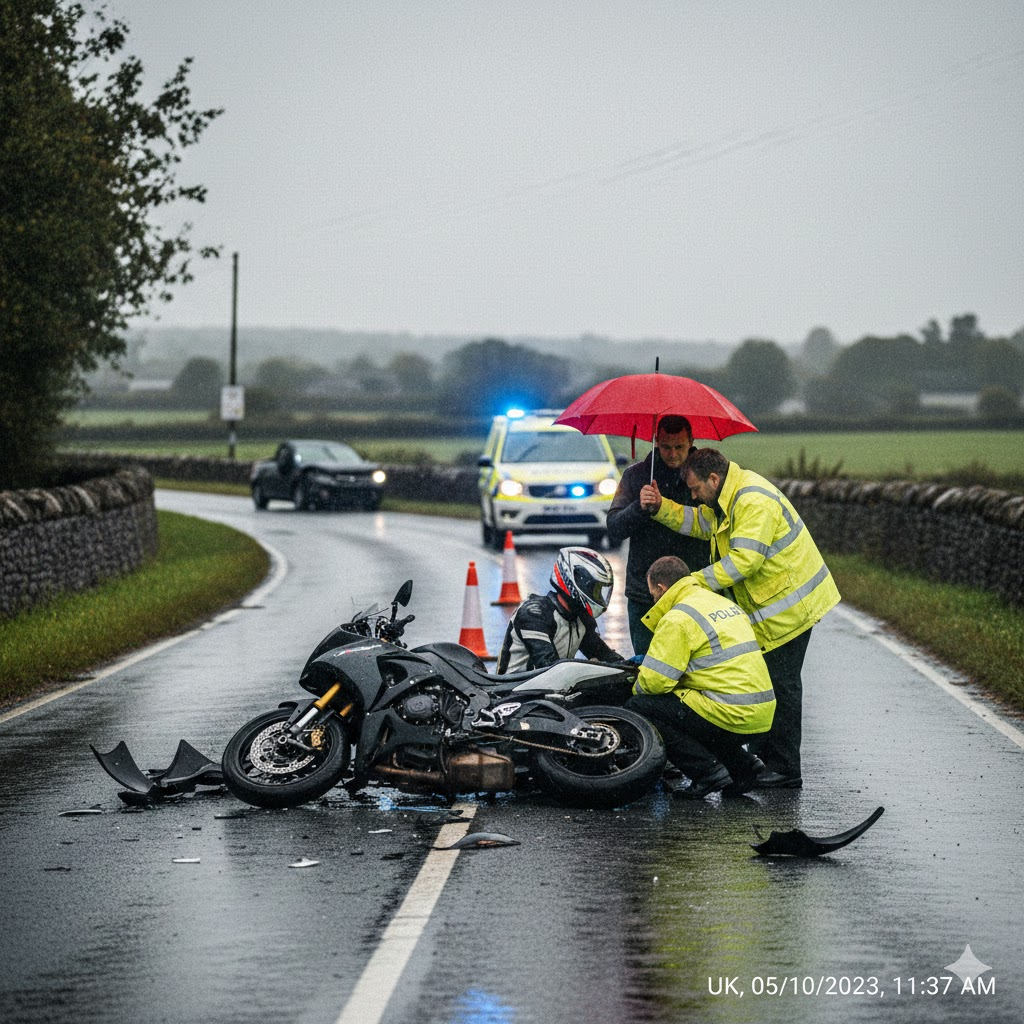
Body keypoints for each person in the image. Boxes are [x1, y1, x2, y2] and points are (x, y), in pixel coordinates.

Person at [640, 447, 841, 789]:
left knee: (782, 686)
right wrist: (662, 509)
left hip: (792, 610)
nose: (694, 496)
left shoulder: (751, 500)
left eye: (695, 489)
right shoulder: (728, 501)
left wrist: (690, 584)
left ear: (713, 479)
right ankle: (763, 765)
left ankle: (785, 769)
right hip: (774, 609)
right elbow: (701, 524)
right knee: (770, 683)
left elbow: (744, 561)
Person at [625, 556, 775, 799]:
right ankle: (744, 766)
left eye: (653, 594)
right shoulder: (720, 603)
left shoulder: (677, 618)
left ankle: (707, 773)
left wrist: (633, 684)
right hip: (761, 713)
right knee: (694, 707)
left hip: (729, 713)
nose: (653, 600)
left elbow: (654, 683)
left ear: (661, 588)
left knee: (642, 707)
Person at [606, 415, 710, 658]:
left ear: (691, 442)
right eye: (665, 447)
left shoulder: (704, 476)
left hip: (694, 589)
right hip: (645, 593)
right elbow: (614, 528)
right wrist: (638, 508)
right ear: (656, 442)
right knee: (648, 666)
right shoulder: (635, 476)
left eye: (679, 447)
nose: (672, 454)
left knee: (695, 668)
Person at [496, 546, 625, 673]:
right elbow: (547, 666)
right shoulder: (534, 613)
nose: (596, 596)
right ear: (574, 581)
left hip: (552, 689)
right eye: (593, 589)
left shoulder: (580, 618)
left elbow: (606, 657)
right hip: (513, 690)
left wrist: (630, 666)